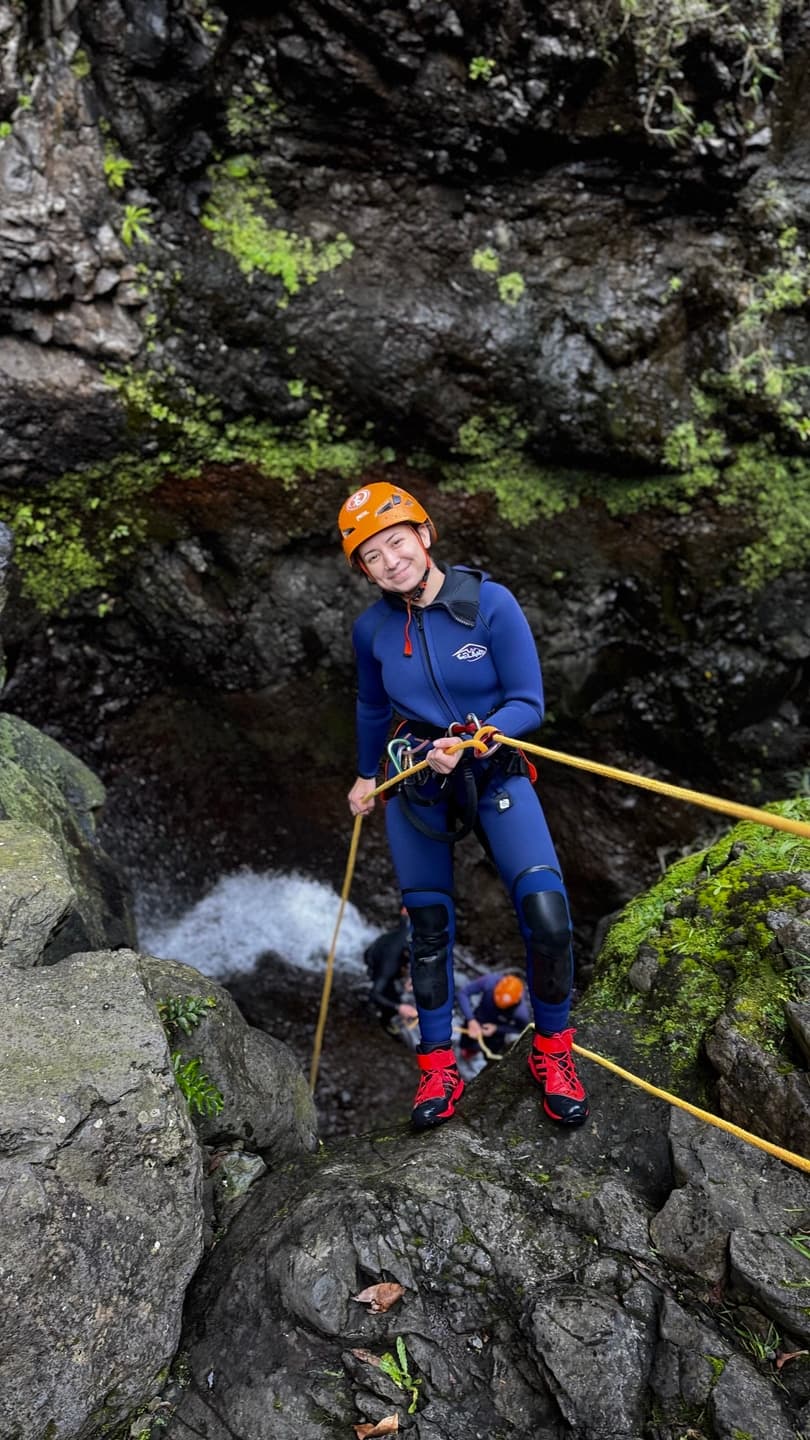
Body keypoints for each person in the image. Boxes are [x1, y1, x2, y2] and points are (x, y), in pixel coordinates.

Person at [339, 481, 589, 1131]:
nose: (391, 561)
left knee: (548, 914)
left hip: (493, 768)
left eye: (397, 543)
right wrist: (367, 775)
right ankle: (437, 1068)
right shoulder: (371, 629)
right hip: (417, 779)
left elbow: (528, 702)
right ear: (363, 569)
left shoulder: (490, 605)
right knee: (426, 930)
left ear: (424, 536)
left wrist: (473, 737)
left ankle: (552, 1053)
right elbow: (372, 707)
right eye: (373, 556)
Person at [363, 907, 420, 1048]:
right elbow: (375, 993)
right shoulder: (391, 964)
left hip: (390, 948)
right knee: (387, 994)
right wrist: (399, 1007)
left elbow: (405, 914)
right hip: (376, 958)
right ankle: (386, 1019)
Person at [457, 972, 531, 1059]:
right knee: (466, 1043)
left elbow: (521, 1029)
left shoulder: (521, 1013)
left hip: (496, 1032)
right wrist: (471, 1019)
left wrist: (497, 1028)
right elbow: (463, 993)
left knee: (491, 1054)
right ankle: (468, 1052)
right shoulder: (489, 981)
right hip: (477, 1019)